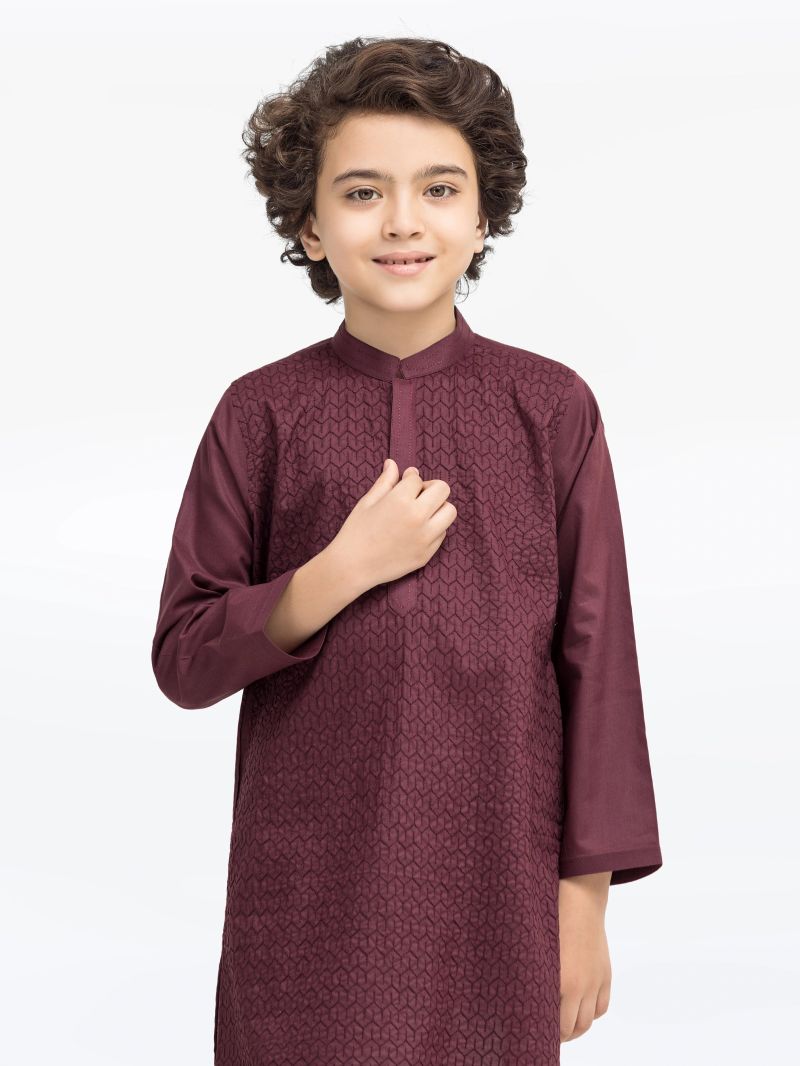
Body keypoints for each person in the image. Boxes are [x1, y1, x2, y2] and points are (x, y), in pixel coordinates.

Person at [151, 35, 663, 1066]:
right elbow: (184, 656)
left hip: (497, 883)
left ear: (483, 216)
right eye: (361, 192)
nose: (400, 221)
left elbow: (596, 661)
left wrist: (584, 900)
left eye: (438, 189)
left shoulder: (549, 407)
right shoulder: (260, 413)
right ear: (308, 224)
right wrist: (336, 572)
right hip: (306, 897)